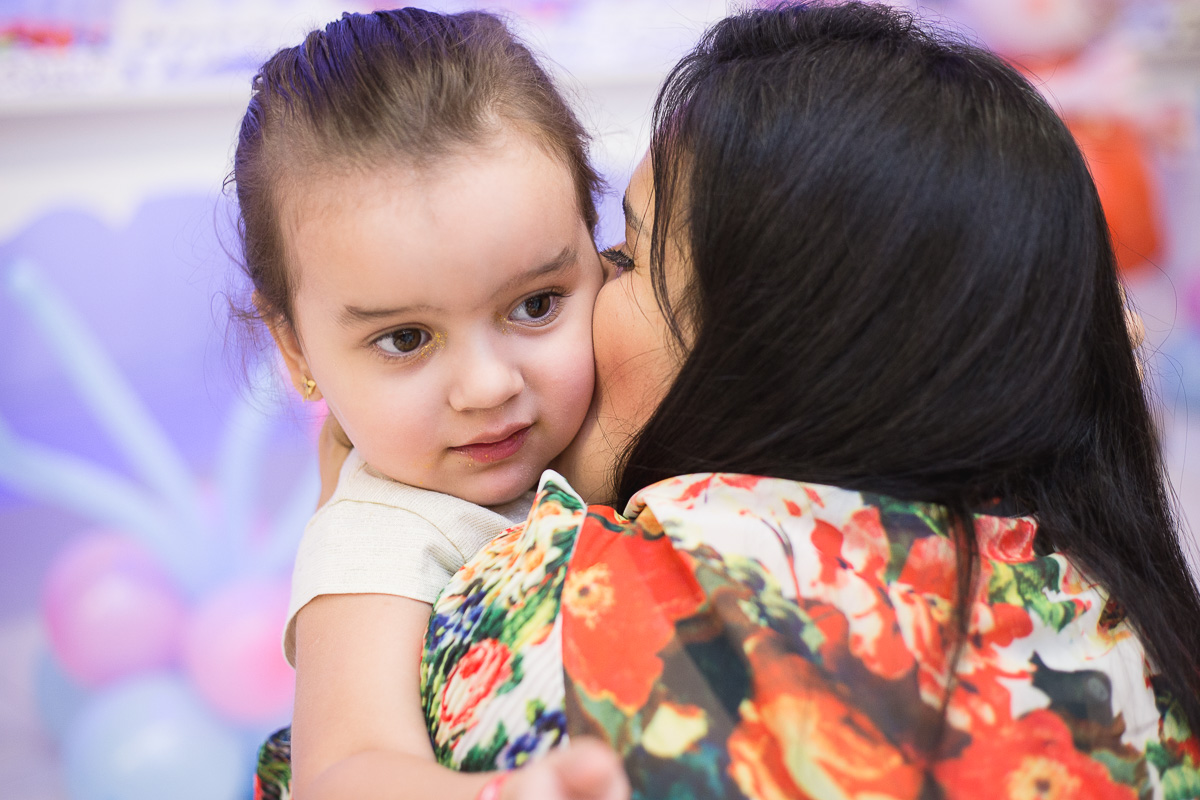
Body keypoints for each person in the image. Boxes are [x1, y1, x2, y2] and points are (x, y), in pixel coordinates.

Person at [411, 2, 1200, 798]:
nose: (584, 300)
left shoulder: (567, 603)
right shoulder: (1135, 650)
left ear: (782, 350)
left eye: (630, 256)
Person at [231, 8, 627, 800]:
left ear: (602, 253)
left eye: (537, 304)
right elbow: (344, 769)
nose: (489, 386)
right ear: (297, 352)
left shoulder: (617, 386)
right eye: (406, 339)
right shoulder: (380, 534)